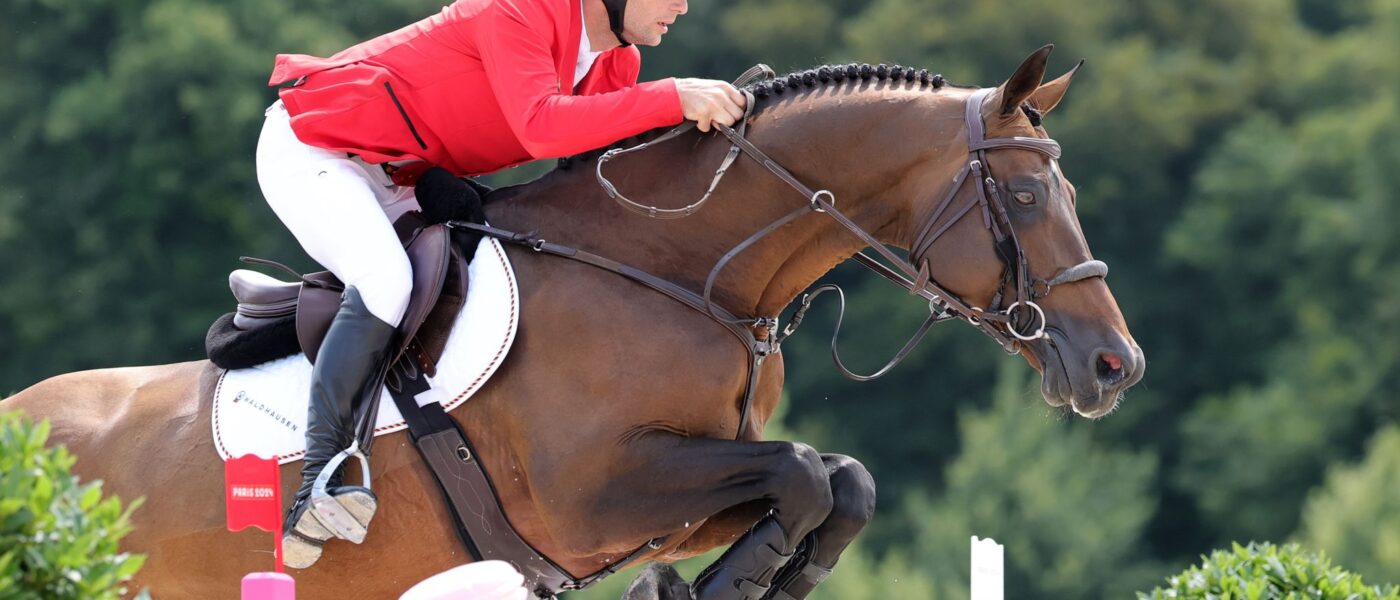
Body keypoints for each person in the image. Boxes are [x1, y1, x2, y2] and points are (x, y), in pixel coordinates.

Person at [256, 0, 747, 568]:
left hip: (405, 174)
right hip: (317, 148)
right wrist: (672, 96)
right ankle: (318, 480)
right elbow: (541, 127)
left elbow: (596, 179)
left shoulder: (617, 63)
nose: (682, 5)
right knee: (386, 281)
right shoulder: (518, 9)